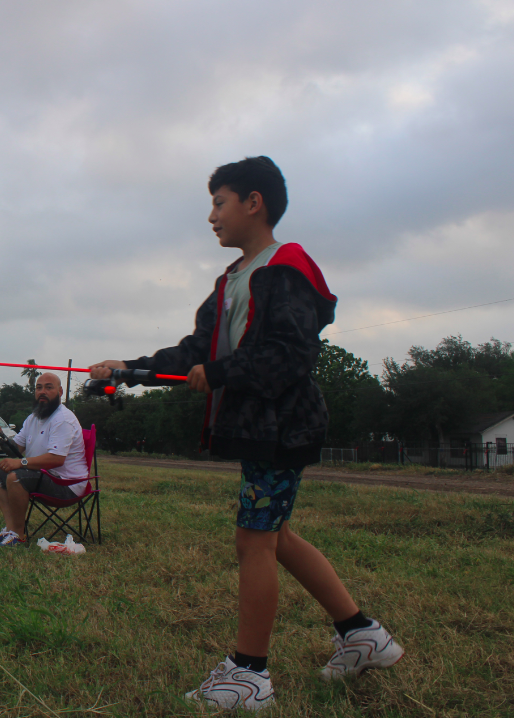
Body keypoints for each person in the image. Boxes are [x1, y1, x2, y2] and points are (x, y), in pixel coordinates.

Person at [89, 156, 402, 711]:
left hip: (285, 425)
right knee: (274, 536)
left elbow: (288, 354)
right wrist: (129, 368)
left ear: (253, 202)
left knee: (253, 540)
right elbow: (195, 354)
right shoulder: (231, 280)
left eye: (219, 202)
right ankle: (362, 635)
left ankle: (249, 675)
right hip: (259, 426)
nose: (211, 216)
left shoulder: (288, 267)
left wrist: (221, 373)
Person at [0, 372, 87, 548]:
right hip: (44, 477)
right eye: (39, 388)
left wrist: (21, 463)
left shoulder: (63, 419)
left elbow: (56, 459)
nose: (42, 392)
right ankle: (11, 529)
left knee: (15, 476)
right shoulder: (33, 418)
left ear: (60, 391)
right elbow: (17, 448)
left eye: (48, 387)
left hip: (66, 485)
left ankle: (19, 536)